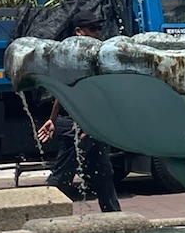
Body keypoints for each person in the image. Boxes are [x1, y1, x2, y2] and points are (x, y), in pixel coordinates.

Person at [36, 21, 122, 214]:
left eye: (99, 29)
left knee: (104, 175)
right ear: (79, 32)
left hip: (90, 126)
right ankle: (46, 214)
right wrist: (53, 119)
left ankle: (115, 218)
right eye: (93, 29)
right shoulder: (72, 58)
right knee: (63, 175)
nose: (97, 33)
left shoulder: (93, 56)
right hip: (75, 125)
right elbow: (65, 92)